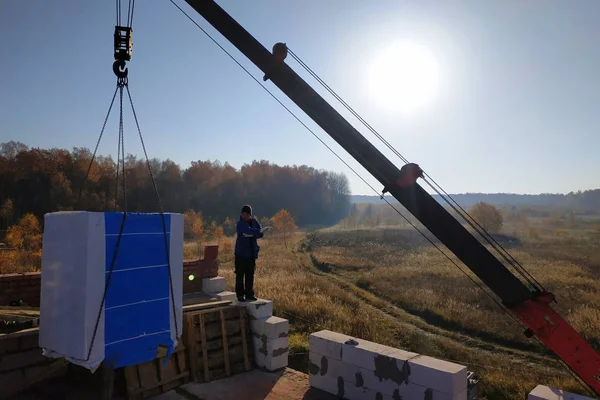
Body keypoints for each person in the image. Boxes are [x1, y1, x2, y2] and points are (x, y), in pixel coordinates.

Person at [234, 205, 264, 302]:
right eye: (242, 214)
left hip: (251, 254)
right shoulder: (240, 224)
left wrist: (253, 233)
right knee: (239, 275)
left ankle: (249, 294)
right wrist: (255, 232)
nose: (244, 216)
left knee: (250, 275)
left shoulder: (254, 222)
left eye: (246, 214)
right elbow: (246, 231)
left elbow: (261, 233)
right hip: (240, 254)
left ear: (249, 214)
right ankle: (240, 295)